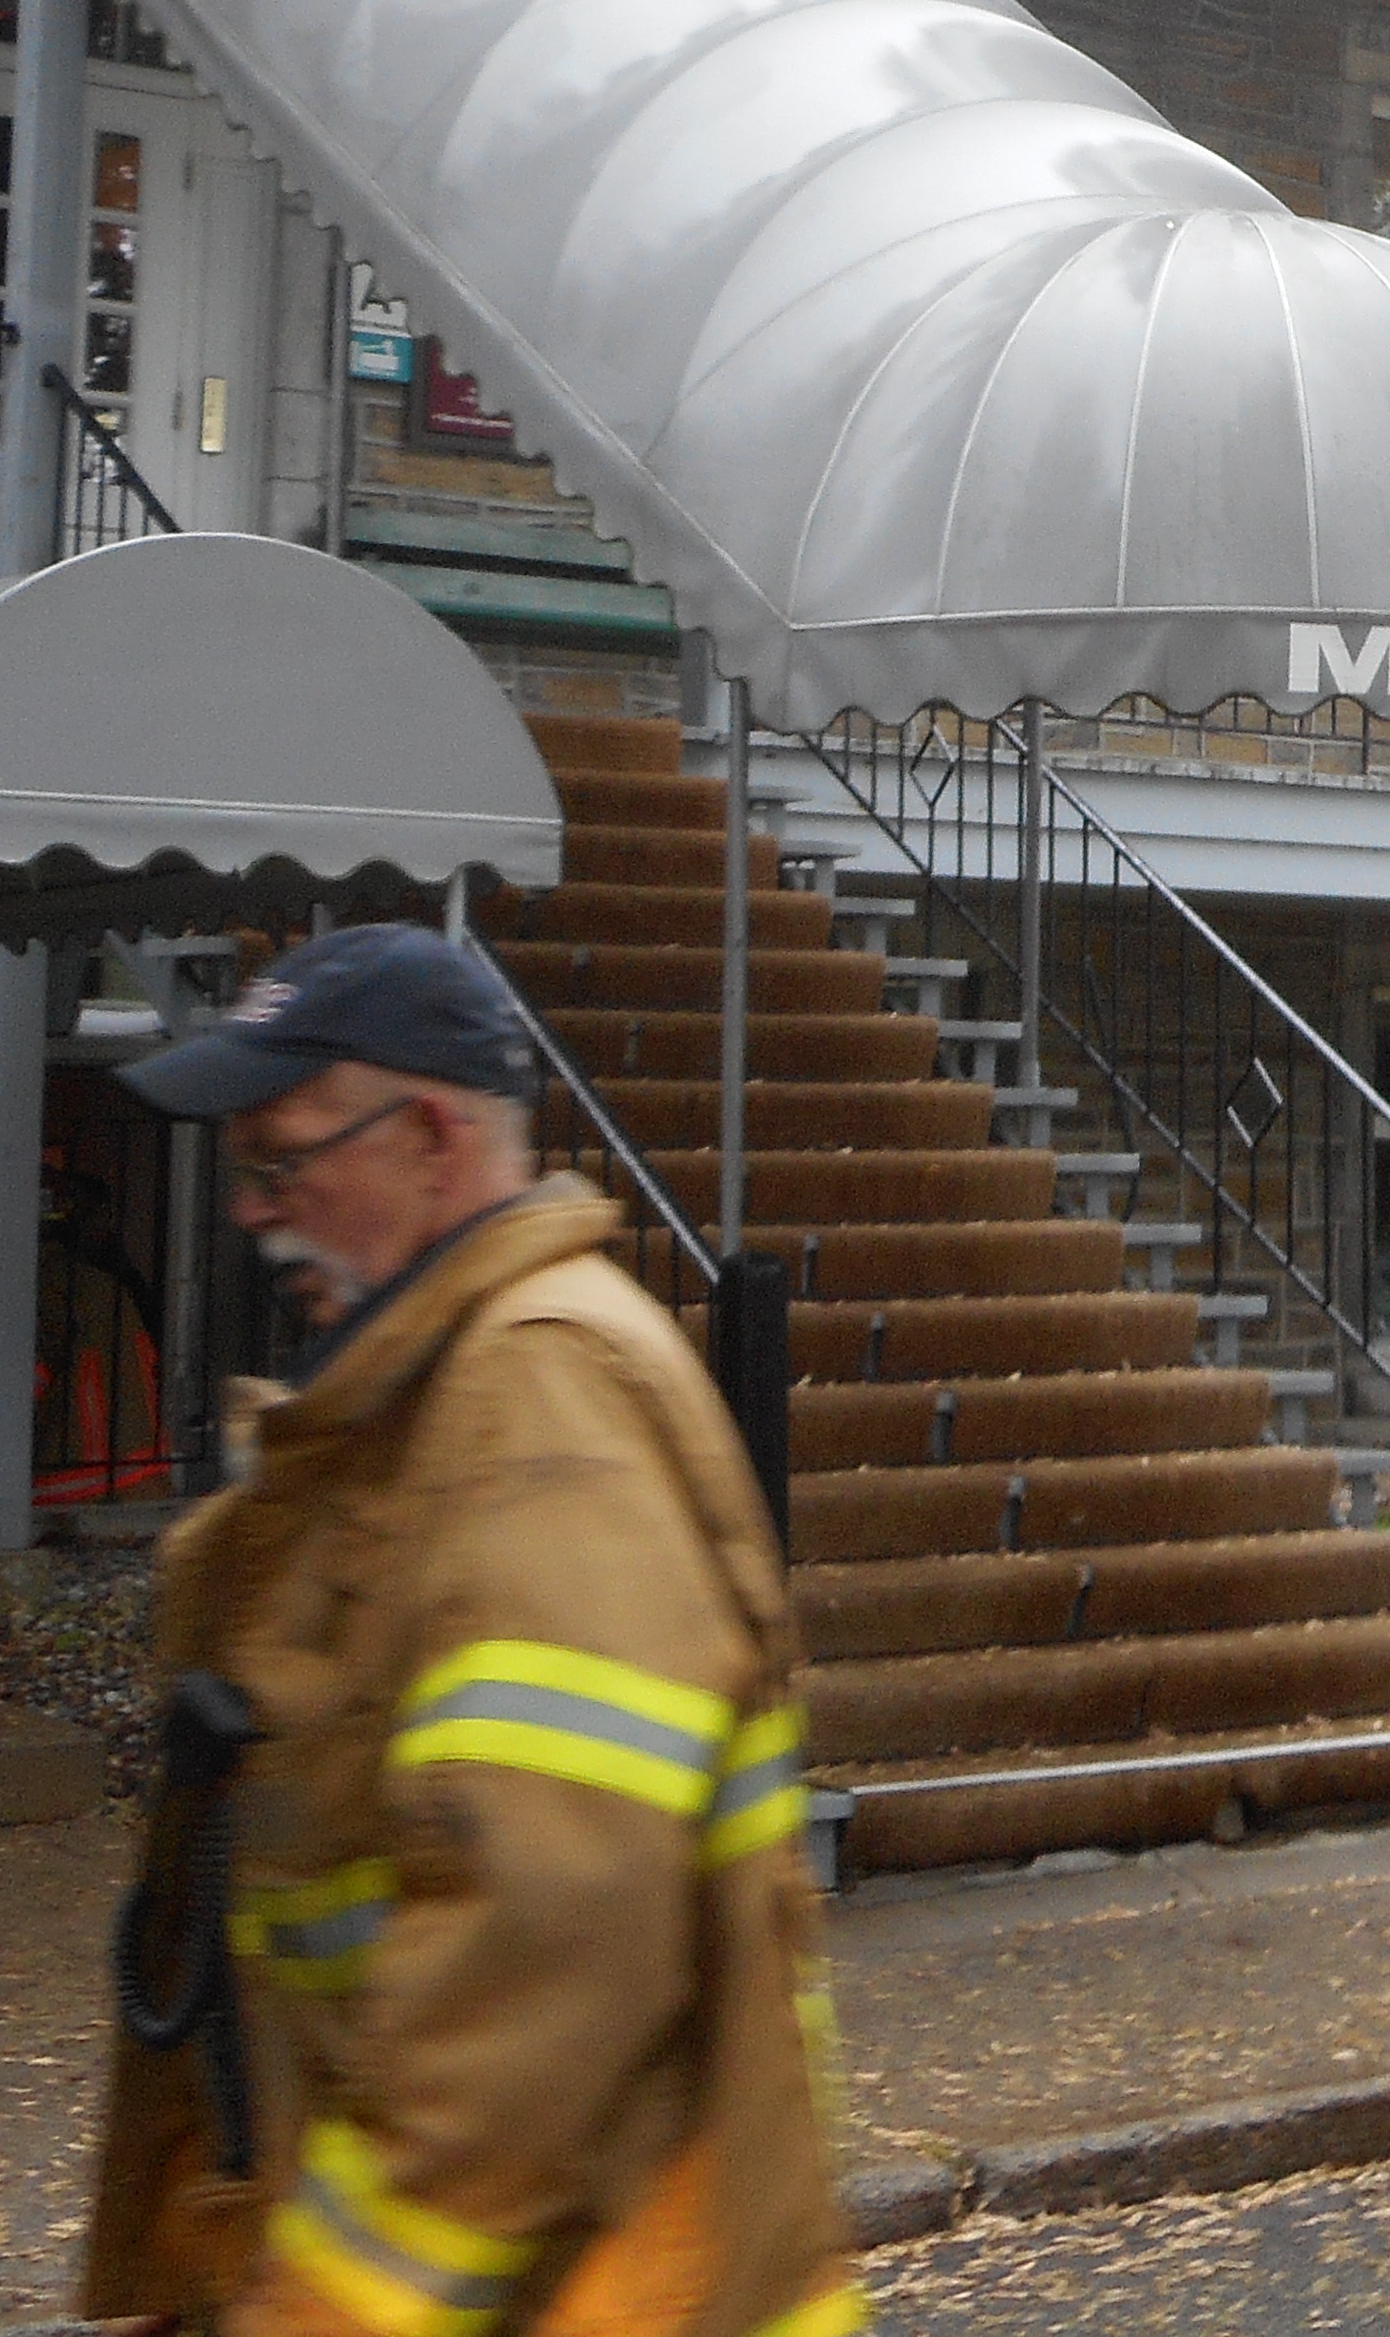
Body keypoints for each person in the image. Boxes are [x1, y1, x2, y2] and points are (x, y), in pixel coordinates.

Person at [78, 922, 858, 2337]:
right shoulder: (430, 1403)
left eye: (287, 1157)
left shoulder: (540, 1399)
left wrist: (337, 2302)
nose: (259, 1210)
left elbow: (552, 1922)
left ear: (431, 1138)